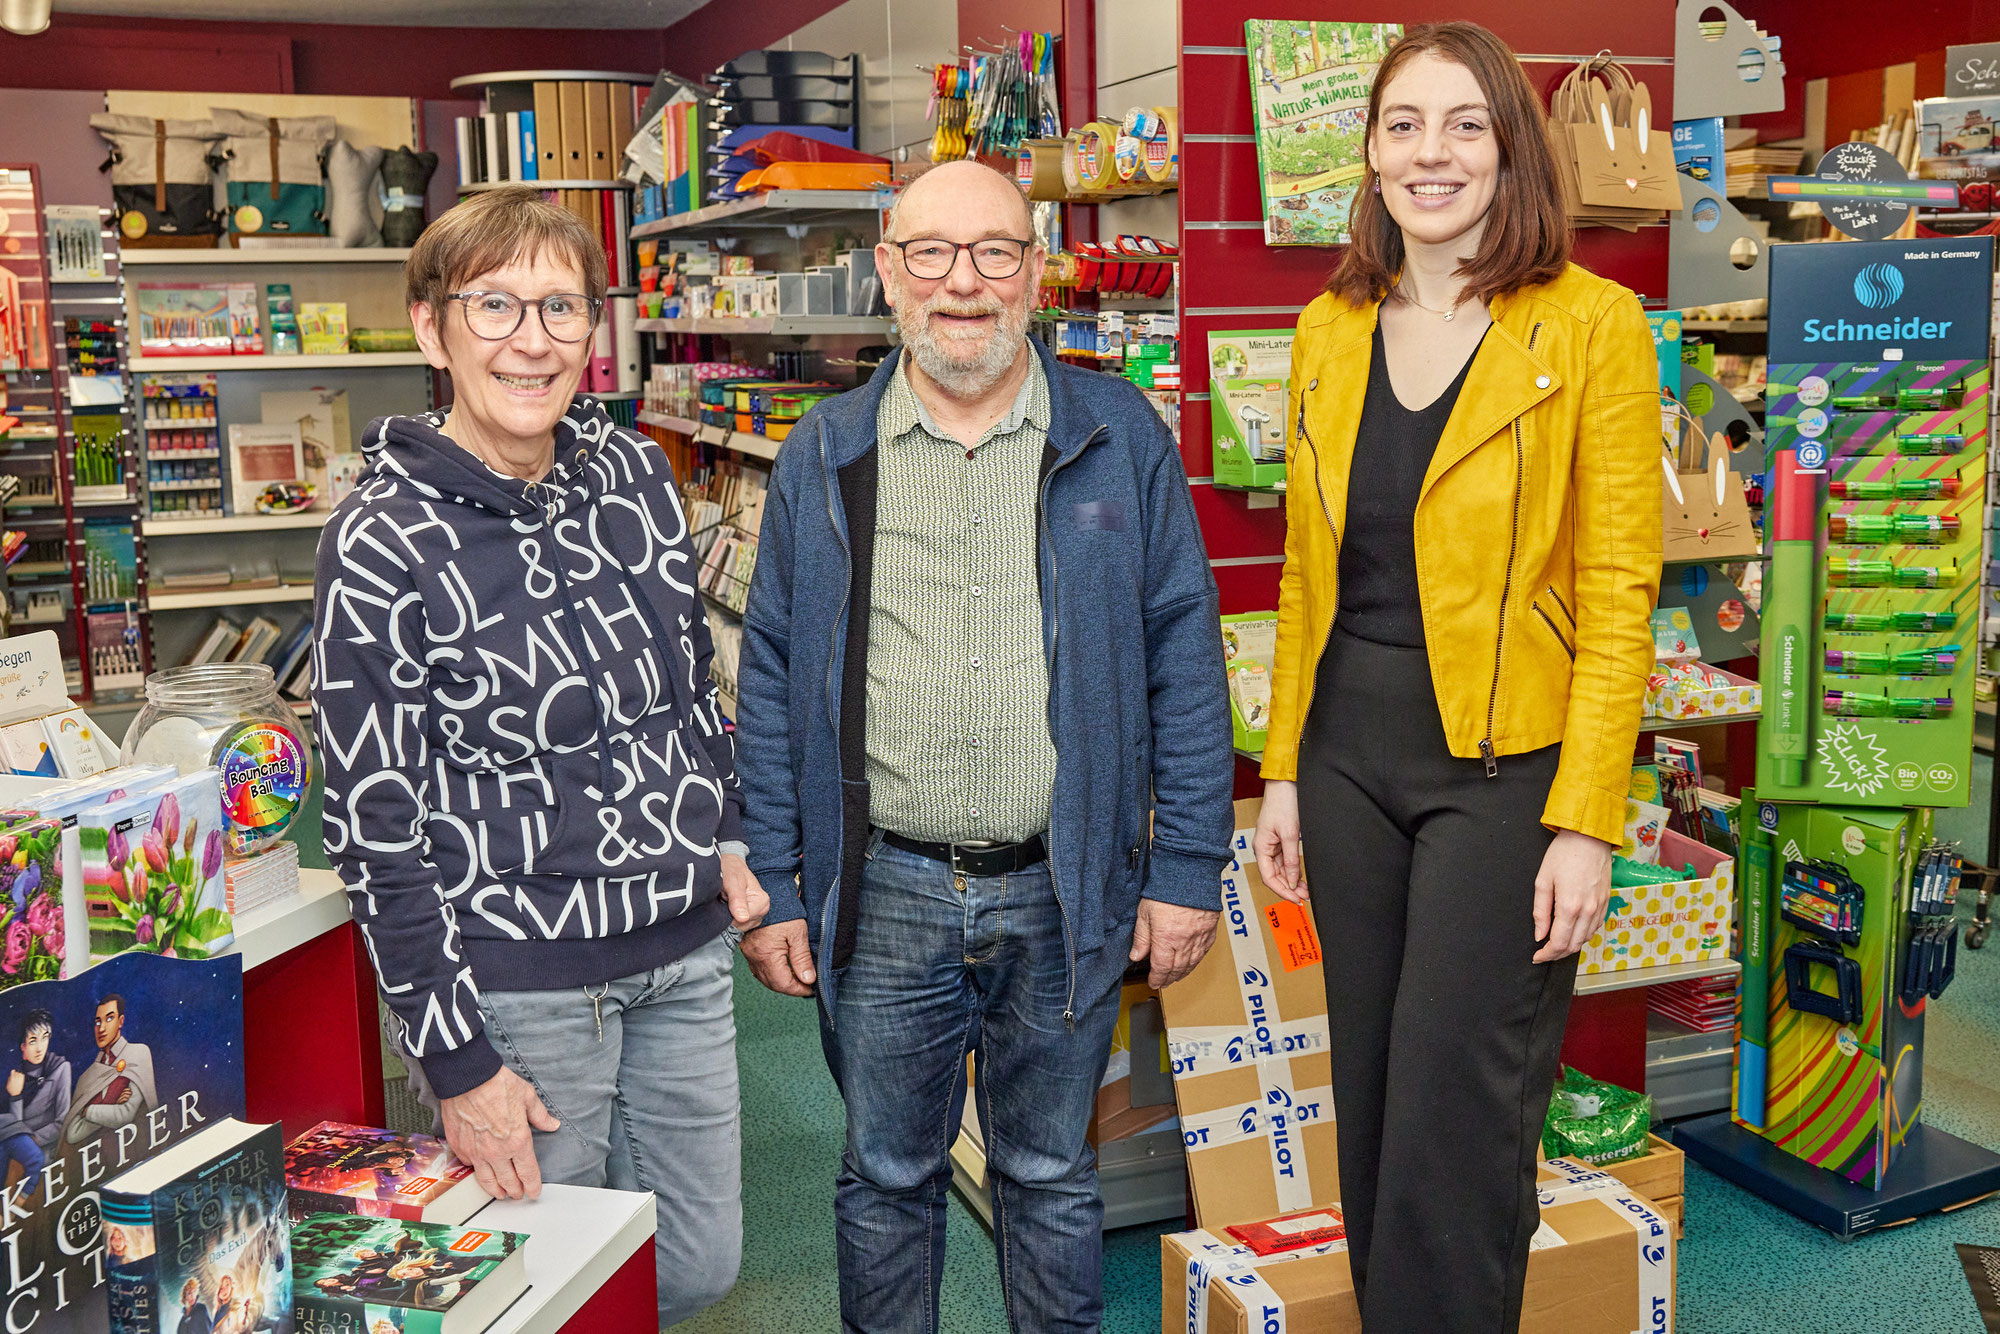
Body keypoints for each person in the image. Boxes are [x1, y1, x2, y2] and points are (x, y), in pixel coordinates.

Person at [734, 158, 1234, 1332]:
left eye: (994, 251)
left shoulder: (1117, 435)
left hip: (1065, 882)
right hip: (884, 883)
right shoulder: (825, 450)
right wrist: (774, 883)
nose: (964, 282)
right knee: (886, 1174)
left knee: (1051, 1176)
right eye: (932, 253)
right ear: (889, 272)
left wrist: (1182, 868)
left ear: (1035, 270)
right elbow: (766, 672)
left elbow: (1184, 655)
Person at [1251, 22, 1663, 1332]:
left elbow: (1617, 590)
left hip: (1505, 767)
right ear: (1370, 153)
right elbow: (1306, 576)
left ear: (1510, 148)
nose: (1432, 154)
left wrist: (1587, 813)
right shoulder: (1327, 327)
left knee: (1458, 1109)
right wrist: (1282, 774)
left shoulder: (1593, 327)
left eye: (1464, 124)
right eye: (1404, 125)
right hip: (1346, 754)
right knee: (1367, 1098)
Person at [313, 184, 765, 1328]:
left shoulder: (632, 478)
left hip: (680, 952)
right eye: (496, 306)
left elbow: (683, 689)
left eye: (560, 309)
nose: (532, 340)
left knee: (695, 1263)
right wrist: (455, 1059)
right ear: (431, 328)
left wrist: (724, 828)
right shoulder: (380, 534)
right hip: (519, 982)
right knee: (539, 1286)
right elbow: (373, 820)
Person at [64, 995, 156, 1147]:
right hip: (101, 1159)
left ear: (120, 1021)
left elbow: (126, 1114)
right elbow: (73, 1133)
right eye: (98, 1022)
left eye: (109, 1019)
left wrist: (88, 1111)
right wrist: (112, 1102)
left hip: (139, 1147)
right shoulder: (86, 1077)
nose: (101, 1028)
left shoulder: (138, 1053)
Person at [0, 1008, 68, 1191]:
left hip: (45, 1154)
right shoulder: (16, 1079)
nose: (40, 1048)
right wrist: (15, 1096)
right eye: (32, 1041)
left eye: (44, 1038)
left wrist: (29, 1141)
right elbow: (10, 1129)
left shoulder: (60, 1068)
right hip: (16, 1154)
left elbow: (62, 1122)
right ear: (22, 1047)